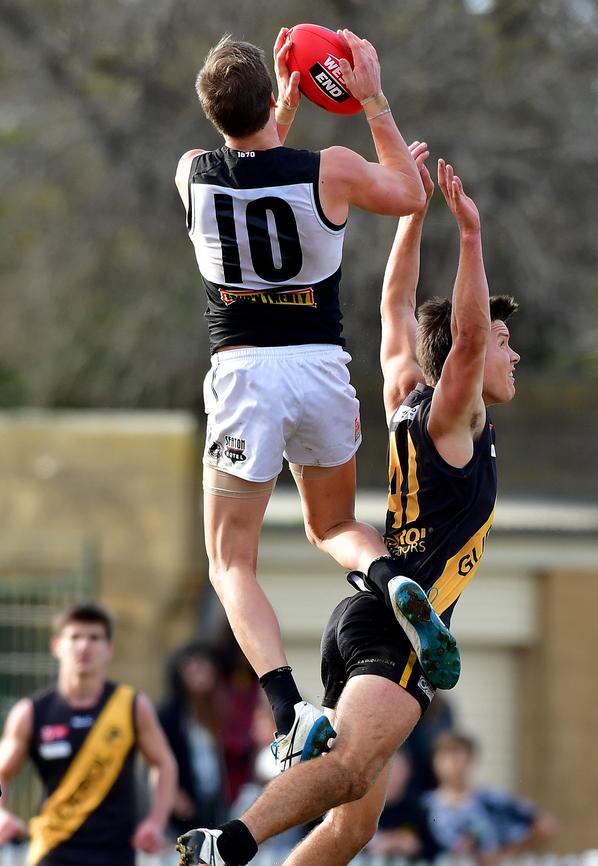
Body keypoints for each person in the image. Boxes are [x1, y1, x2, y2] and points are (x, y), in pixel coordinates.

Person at [175, 147, 522, 866]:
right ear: (471, 348)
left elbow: (395, 306)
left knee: (353, 827)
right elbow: (461, 340)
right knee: (347, 774)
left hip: (367, 607)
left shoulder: (405, 391)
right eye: (504, 341)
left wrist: (411, 216)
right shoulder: (455, 418)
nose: (512, 355)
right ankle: (226, 846)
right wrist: (469, 237)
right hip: (399, 628)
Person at [174, 25, 450, 770]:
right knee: (333, 524)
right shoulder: (328, 169)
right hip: (321, 365)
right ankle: (393, 581)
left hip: (243, 377)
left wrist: (277, 110)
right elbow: (408, 193)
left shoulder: (192, 172)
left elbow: (253, 158)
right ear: (274, 96)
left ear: (213, 115)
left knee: (231, 562)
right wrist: (372, 98)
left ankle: (291, 710)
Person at [0, 601, 177, 866]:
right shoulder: (31, 712)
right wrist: (2, 813)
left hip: (115, 853)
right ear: (57, 646)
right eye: (75, 637)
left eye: (94, 638)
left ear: (109, 649)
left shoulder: (131, 706)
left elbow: (164, 763)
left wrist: (156, 821)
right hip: (52, 849)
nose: (84, 646)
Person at [422, 731, 555, 863]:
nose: (448, 764)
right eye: (442, 756)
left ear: (470, 760)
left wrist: (505, 855)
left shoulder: (490, 799)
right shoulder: (424, 806)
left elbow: (544, 824)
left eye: (455, 757)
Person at [158, 642, 230, 839]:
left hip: (215, 802)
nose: (201, 673)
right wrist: (172, 793)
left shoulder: (219, 711)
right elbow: (155, 759)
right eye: (194, 666)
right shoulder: (169, 716)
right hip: (181, 807)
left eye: (205, 666)